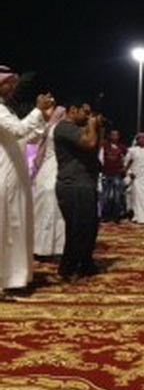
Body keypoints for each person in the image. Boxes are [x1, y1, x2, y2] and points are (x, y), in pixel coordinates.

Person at [0, 66, 54, 297]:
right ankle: (6, 279)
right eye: (9, 83)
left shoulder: (6, 110)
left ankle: (17, 277)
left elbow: (27, 139)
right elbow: (19, 131)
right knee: (7, 226)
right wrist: (37, 111)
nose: (13, 87)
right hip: (5, 173)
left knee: (18, 224)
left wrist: (42, 117)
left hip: (17, 172)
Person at [54, 102, 103, 282]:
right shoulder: (64, 128)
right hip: (72, 184)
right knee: (77, 228)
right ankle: (68, 268)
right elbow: (89, 143)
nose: (88, 116)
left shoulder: (80, 129)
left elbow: (96, 148)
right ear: (73, 110)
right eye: (86, 112)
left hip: (85, 183)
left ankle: (85, 263)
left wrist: (98, 128)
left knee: (89, 227)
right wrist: (92, 124)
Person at [31, 106, 67, 260]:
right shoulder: (58, 130)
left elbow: (39, 152)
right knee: (52, 208)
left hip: (47, 171)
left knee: (47, 208)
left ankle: (42, 247)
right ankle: (51, 247)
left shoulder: (48, 129)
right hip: (54, 170)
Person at [124, 132, 144, 224]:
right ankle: (137, 217)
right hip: (136, 177)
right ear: (137, 140)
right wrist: (130, 172)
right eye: (139, 139)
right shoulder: (132, 150)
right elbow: (126, 163)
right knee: (136, 197)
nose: (142, 140)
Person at [101, 129, 128, 223]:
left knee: (117, 196)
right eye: (112, 135)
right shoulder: (105, 146)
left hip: (117, 173)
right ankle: (106, 216)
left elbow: (128, 158)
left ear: (119, 136)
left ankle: (116, 216)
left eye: (116, 135)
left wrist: (125, 168)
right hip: (106, 173)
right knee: (106, 196)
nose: (114, 136)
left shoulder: (122, 148)